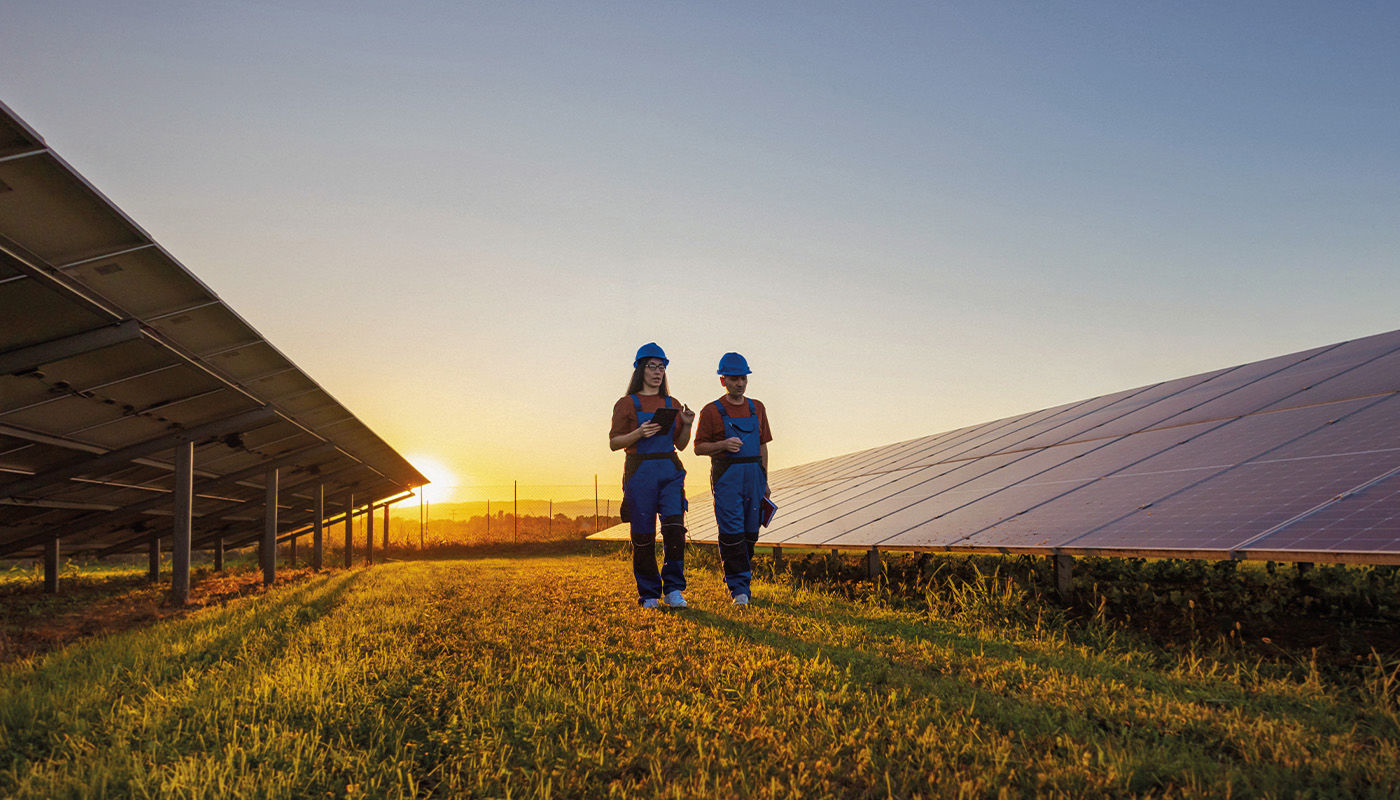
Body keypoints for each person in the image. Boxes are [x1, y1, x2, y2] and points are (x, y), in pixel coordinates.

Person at [609, 342, 696, 609]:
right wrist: (638, 433)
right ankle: (649, 593)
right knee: (643, 534)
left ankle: (673, 589)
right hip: (640, 471)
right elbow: (614, 442)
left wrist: (688, 424)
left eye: (662, 367)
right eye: (652, 366)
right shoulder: (626, 403)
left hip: (669, 469)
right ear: (640, 370)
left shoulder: (672, 403)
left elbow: (680, 445)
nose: (658, 372)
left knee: (674, 530)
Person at [693, 352, 773, 606]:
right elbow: (698, 448)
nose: (740, 383)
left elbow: (763, 446)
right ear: (723, 380)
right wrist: (723, 444)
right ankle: (739, 589)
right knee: (731, 532)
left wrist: (765, 480)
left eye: (744, 378)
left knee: (751, 532)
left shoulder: (757, 408)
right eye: (735, 378)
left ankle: (740, 581)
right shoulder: (711, 411)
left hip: (754, 477)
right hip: (727, 477)